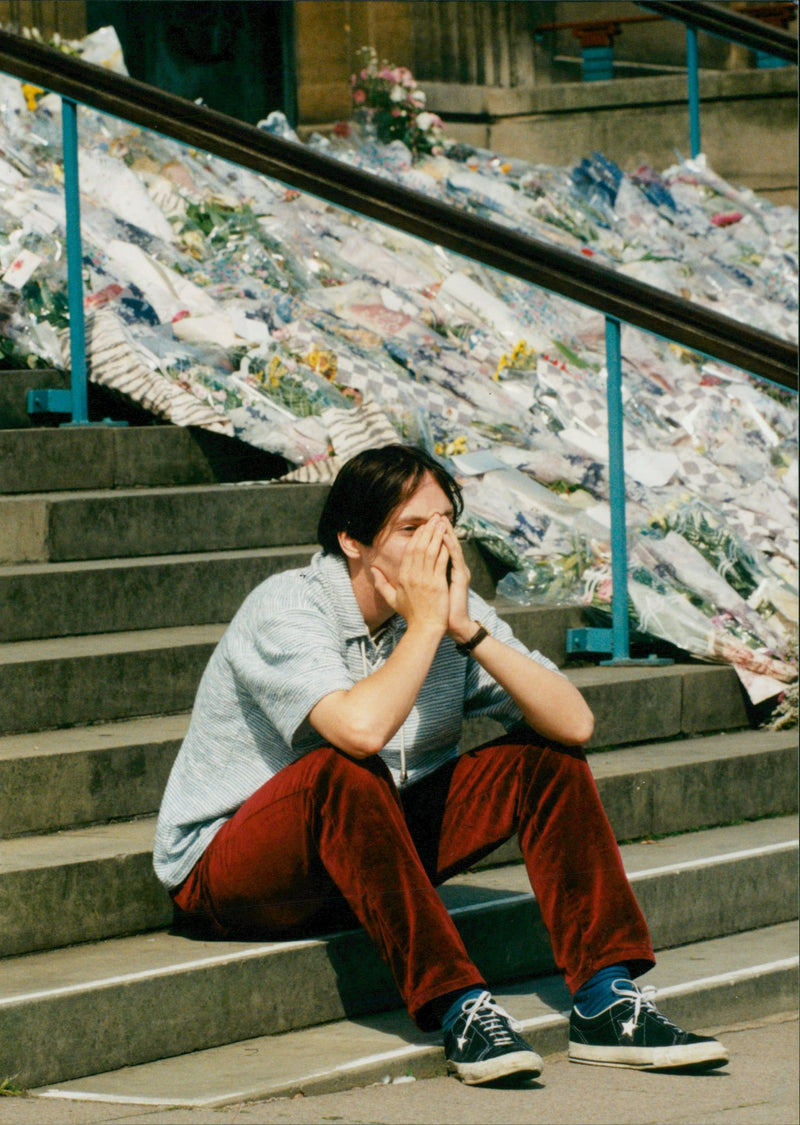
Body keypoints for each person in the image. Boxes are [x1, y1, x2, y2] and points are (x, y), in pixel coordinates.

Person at [153, 443, 728, 1085]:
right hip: (235, 876)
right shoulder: (288, 608)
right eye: (410, 528)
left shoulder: (453, 612)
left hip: (368, 859)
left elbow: (576, 724)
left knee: (545, 759)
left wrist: (467, 631)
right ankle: (460, 1007)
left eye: (444, 522)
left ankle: (604, 998)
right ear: (352, 541)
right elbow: (360, 732)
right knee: (342, 767)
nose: (436, 542)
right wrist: (428, 627)